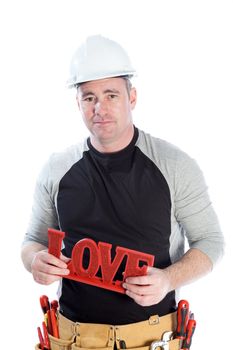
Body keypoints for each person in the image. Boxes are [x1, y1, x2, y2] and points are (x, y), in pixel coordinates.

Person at [21, 35, 224, 350]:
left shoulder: (174, 166)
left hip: (152, 338)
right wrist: (35, 260)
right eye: (89, 97)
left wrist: (169, 280)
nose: (99, 108)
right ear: (78, 103)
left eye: (111, 94)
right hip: (72, 338)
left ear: (132, 97)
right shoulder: (56, 169)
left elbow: (211, 242)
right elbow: (32, 241)